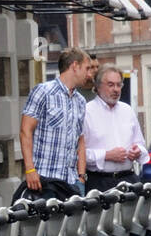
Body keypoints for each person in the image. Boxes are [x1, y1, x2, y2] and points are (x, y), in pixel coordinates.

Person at [17, 47, 94, 198]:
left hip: (72, 183)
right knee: (49, 222)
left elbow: (80, 139)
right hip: (45, 180)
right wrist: (30, 170)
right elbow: (25, 131)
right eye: (86, 68)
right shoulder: (43, 92)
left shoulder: (80, 101)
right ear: (74, 66)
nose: (89, 74)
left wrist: (81, 176)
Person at [83, 64, 147, 192]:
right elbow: (79, 154)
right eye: (111, 85)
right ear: (98, 86)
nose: (116, 89)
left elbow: (141, 144)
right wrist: (106, 155)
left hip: (129, 179)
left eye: (119, 85)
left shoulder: (127, 110)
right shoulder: (86, 112)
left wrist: (137, 151)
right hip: (99, 182)